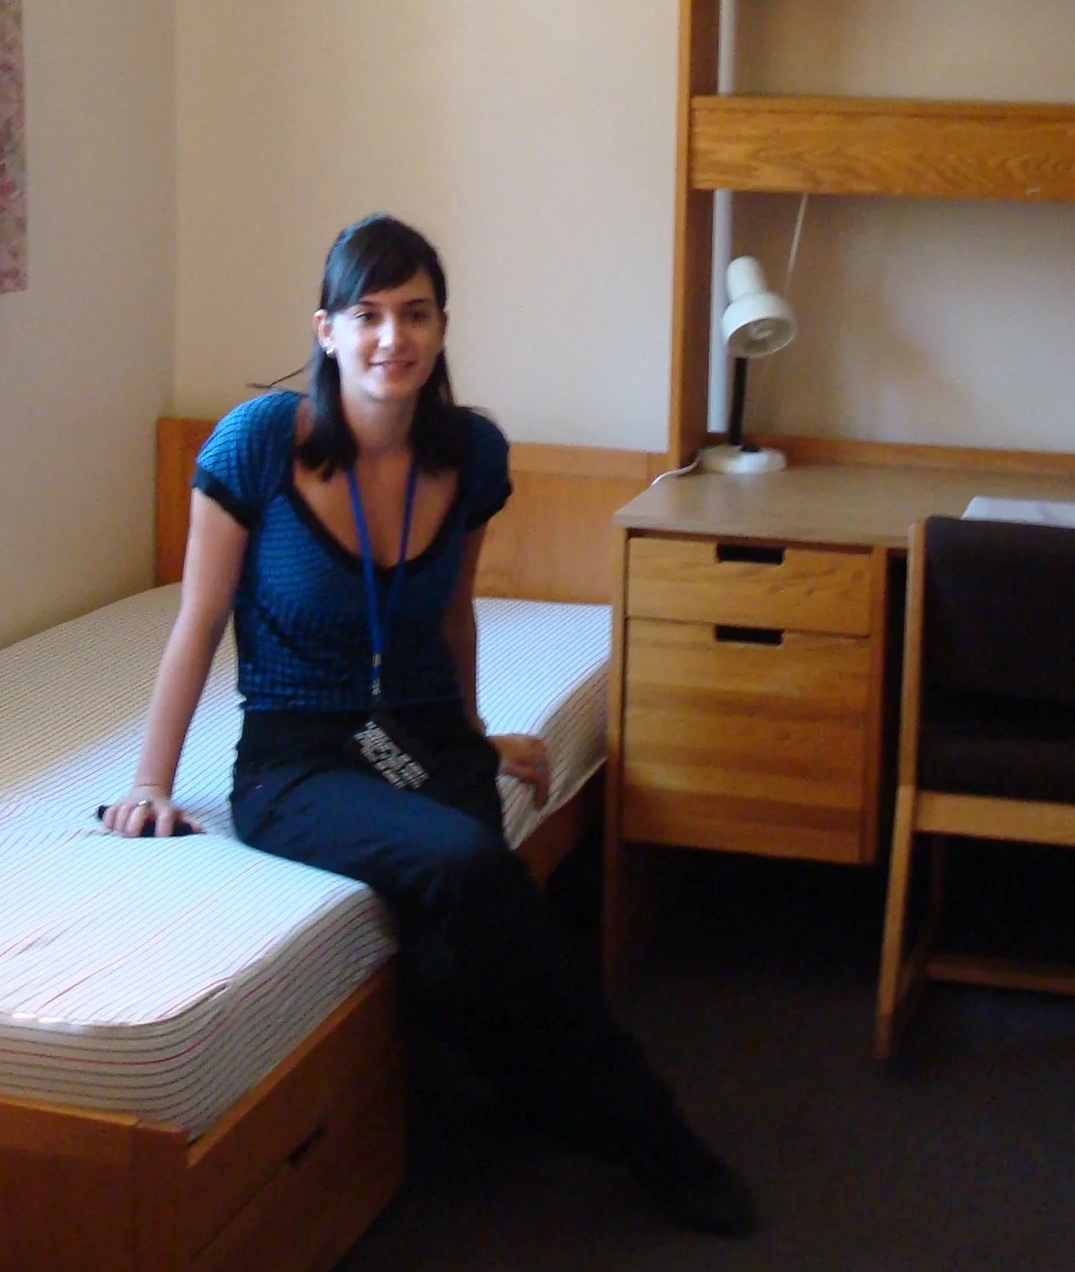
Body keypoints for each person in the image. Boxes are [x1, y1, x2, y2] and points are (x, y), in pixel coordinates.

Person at [103, 213, 757, 1237]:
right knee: (466, 865)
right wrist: (150, 780)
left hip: (419, 729)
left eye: (413, 314)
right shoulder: (259, 443)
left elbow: (453, 610)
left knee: (457, 952)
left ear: (442, 328)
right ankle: (652, 1133)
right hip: (297, 756)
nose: (389, 339)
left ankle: (523, 1092)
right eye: (365, 315)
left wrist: (473, 730)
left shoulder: (470, 454)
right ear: (324, 330)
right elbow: (197, 618)